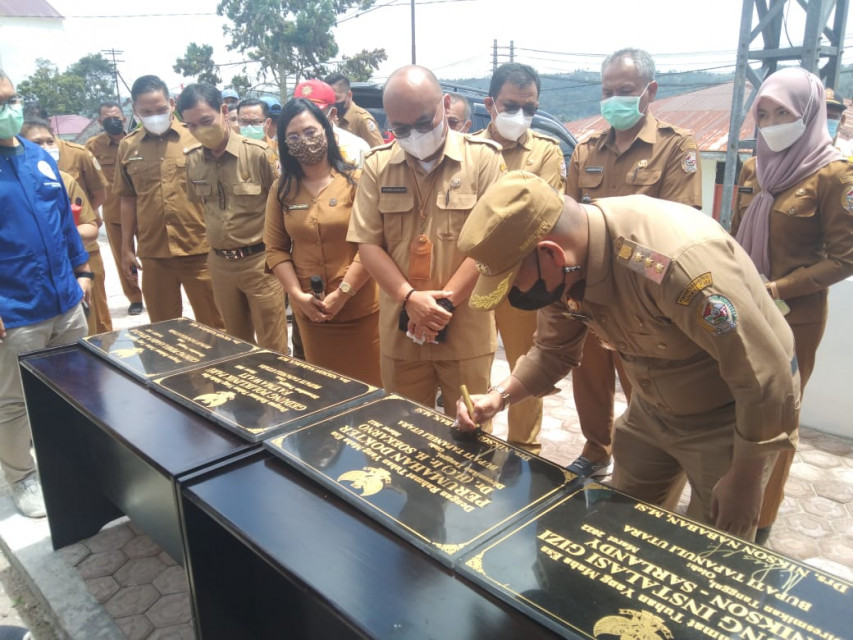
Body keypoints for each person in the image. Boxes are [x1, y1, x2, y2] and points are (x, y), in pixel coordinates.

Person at [455, 171, 799, 542]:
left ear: (550, 254)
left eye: (512, 282)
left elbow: (764, 377)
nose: (512, 295)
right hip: (652, 406)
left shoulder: (676, 266)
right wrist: (497, 398)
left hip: (732, 415)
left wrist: (747, 478)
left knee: (715, 552)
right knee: (623, 531)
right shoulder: (565, 266)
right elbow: (553, 350)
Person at [565, 48, 703, 479]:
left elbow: (681, 228)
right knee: (589, 377)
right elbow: (567, 218)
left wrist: (617, 259)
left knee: (645, 385)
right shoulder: (586, 149)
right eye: (607, 91)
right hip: (590, 293)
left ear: (650, 91)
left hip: (645, 296)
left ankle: (646, 460)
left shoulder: (675, 147)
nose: (614, 100)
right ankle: (596, 448)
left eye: (625, 91)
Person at [732, 67, 853, 544]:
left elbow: (845, 258)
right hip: (743, 307)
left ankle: (761, 518)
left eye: (783, 112)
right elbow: (734, 236)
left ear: (808, 112)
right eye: (763, 112)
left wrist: (778, 288)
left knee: (780, 418)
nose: (772, 121)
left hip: (795, 318)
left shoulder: (834, 175)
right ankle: (726, 495)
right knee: (733, 403)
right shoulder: (752, 167)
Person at [347, 65, 504, 415]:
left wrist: (440, 309)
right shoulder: (377, 165)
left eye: (422, 123)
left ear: (444, 104)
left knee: (471, 431)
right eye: (401, 128)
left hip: (465, 329)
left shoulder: (483, 160)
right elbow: (367, 244)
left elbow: (492, 244)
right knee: (404, 431)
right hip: (401, 330)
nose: (414, 135)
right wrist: (410, 299)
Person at [0, 69, 93, 517]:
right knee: (14, 400)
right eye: (0, 103)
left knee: (74, 386)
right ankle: (22, 476)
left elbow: (64, 222)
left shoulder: (38, 156)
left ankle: (73, 459)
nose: (9, 110)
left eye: (12, 99)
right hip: (15, 309)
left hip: (66, 300)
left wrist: (84, 270)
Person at [475, 63, 566, 453]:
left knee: (524, 366)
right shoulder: (470, 151)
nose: (520, 116)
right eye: (511, 106)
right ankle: (475, 436)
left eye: (529, 109)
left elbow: (541, 218)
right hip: (473, 277)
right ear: (490, 104)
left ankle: (523, 450)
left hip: (522, 281)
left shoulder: (546, 153)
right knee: (474, 363)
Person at [265, 98, 380, 385]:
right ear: (284, 143)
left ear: (326, 130)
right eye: (293, 136)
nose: (303, 141)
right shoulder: (282, 189)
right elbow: (276, 249)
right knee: (325, 391)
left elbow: (372, 244)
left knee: (370, 395)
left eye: (310, 132)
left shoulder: (357, 180)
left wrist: (343, 293)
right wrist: (296, 295)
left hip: (361, 311)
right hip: (312, 313)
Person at [178, 84, 289, 354]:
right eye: (191, 125)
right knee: (234, 346)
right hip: (220, 265)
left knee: (272, 347)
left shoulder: (259, 154)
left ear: (224, 111)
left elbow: (285, 210)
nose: (200, 130)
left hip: (260, 264)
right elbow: (203, 209)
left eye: (206, 121)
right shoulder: (193, 161)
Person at [115, 74, 224, 328]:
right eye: (147, 111)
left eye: (161, 109)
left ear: (172, 104)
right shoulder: (128, 147)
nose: (155, 115)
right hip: (154, 254)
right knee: (163, 330)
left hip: (201, 249)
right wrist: (126, 249)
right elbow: (128, 200)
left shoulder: (197, 137)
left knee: (218, 325)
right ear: (135, 110)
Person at [20, 119, 113, 336]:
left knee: (94, 326)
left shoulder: (62, 180)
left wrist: (57, 237)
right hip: (34, 281)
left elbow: (91, 224)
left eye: (49, 141)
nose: (45, 148)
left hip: (76, 265)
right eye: (37, 143)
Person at [86, 101, 144, 316]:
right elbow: (88, 180)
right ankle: (135, 297)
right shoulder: (93, 146)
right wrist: (93, 212)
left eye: (117, 117)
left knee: (151, 255)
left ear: (124, 117)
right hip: (115, 213)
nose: (114, 121)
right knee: (124, 256)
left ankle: (158, 290)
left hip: (144, 211)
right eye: (108, 118)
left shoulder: (137, 140)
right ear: (100, 121)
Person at [292, 79, 370, 168]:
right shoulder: (288, 148)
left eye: (315, 113)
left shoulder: (356, 147)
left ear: (332, 113)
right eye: (300, 113)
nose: (307, 119)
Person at [323, 73, 385, 148]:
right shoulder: (329, 118)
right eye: (328, 100)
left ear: (349, 96)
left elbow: (380, 153)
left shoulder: (362, 120)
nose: (332, 104)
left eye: (336, 98)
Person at [824, 88, 852, 156]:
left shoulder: (848, 153)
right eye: (821, 116)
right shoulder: (801, 150)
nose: (823, 120)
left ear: (842, 120)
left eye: (831, 116)